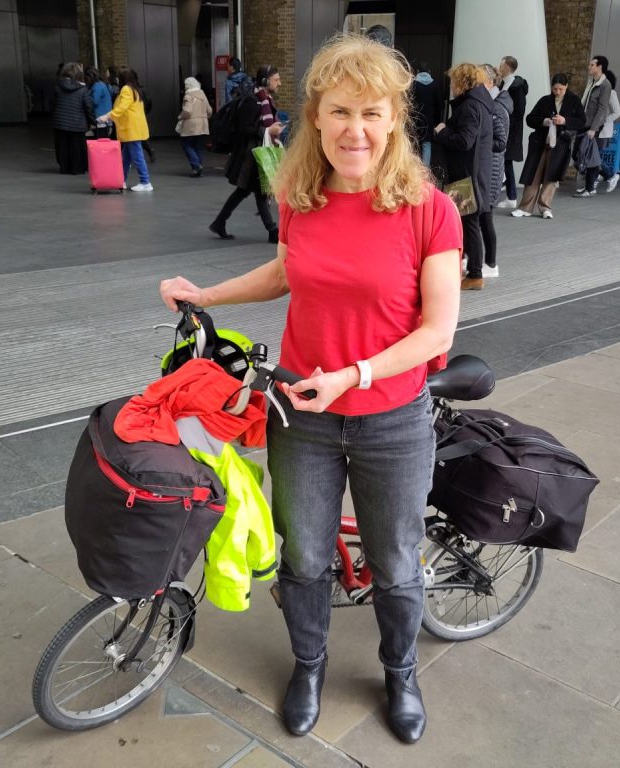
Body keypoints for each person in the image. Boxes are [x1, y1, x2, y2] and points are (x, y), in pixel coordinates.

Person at [159, 33, 462, 745]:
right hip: (301, 414)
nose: (356, 130)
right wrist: (206, 294)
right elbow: (284, 274)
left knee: (394, 561)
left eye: (372, 113)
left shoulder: (428, 210)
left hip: (391, 417)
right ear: (317, 118)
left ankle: (400, 672)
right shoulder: (300, 197)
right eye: (341, 112)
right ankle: (309, 664)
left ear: (394, 121)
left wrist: (354, 376)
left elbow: (437, 330)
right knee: (302, 557)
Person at [434, 63, 495, 290]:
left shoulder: (470, 106)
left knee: (468, 223)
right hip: (472, 173)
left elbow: (464, 141)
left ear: (462, 82)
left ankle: (475, 273)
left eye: (453, 81)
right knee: (467, 223)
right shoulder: (480, 104)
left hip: (466, 176)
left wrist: (443, 131)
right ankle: (469, 269)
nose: (451, 86)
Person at [208, 65, 284, 242]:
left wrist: (272, 131)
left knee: (246, 191)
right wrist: (267, 131)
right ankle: (272, 231)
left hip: (257, 152)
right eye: (276, 79)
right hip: (250, 156)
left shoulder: (265, 100)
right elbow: (244, 129)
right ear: (265, 81)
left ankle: (219, 222)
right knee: (259, 191)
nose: (279, 83)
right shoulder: (253, 101)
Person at [514, 73, 585, 219]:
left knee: (551, 175)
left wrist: (565, 120)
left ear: (566, 86)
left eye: (561, 89)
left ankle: (545, 207)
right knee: (533, 174)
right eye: (555, 89)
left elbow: (582, 121)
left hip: (560, 143)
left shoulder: (574, 101)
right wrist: (544, 121)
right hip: (541, 142)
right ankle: (525, 207)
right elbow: (530, 119)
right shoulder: (545, 100)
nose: (557, 92)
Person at [99, 66, 152, 191]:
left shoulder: (126, 89)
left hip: (131, 130)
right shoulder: (134, 89)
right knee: (125, 158)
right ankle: (121, 180)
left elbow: (122, 107)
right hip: (132, 129)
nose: (116, 79)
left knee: (137, 157)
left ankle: (145, 182)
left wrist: (107, 116)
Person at [479, 63, 509, 277]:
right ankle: (475, 258)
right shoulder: (489, 103)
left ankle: (491, 263)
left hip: (491, 169)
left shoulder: (496, 107)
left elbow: (501, 142)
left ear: (490, 82)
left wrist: (479, 141)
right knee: (479, 217)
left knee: (486, 217)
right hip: (486, 166)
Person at [573, 55, 612, 198]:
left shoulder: (605, 84)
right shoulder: (591, 82)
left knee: (588, 157)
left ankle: (590, 188)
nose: (589, 67)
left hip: (592, 125)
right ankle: (606, 176)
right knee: (578, 154)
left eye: (592, 65)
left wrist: (594, 129)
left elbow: (602, 109)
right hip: (583, 123)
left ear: (600, 67)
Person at [52, 62, 94, 175]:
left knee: (62, 147)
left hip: (60, 123)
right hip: (78, 123)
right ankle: (77, 168)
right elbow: (88, 106)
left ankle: (64, 168)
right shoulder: (82, 89)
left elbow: (53, 104)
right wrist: (92, 120)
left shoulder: (57, 86)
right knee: (77, 147)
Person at [496, 55, 527, 209]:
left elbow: (519, 111)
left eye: (501, 65)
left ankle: (512, 196)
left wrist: (507, 125)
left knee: (506, 162)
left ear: (507, 67)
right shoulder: (504, 83)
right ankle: (510, 195)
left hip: (511, 131)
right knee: (504, 162)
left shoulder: (516, 86)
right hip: (505, 129)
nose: (499, 68)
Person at [177, 76, 212, 177]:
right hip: (203, 125)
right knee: (198, 147)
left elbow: (187, 111)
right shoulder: (202, 94)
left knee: (186, 144)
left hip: (190, 125)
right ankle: (198, 168)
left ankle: (196, 165)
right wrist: (204, 117)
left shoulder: (188, 96)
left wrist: (180, 116)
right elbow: (209, 110)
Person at [410, 61, 441, 166]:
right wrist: (437, 121)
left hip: (415, 119)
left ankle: (412, 168)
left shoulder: (413, 84)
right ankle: (425, 171)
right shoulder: (435, 85)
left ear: (417, 71)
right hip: (429, 119)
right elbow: (438, 105)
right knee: (427, 145)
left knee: (413, 144)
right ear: (429, 71)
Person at [85, 67, 114, 139]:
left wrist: (85, 96)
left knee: (101, 140)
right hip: (104, 118)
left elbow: (94, 101)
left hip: (101, 118)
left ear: (90, 76)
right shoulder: (102, 84)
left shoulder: (97, 86)